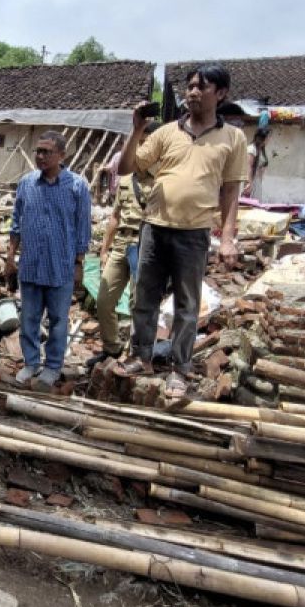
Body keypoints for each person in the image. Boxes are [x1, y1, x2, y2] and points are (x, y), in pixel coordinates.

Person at [116, 64, 248, 400]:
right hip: (155, 225)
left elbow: (231, 192)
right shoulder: (166, 133)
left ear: (220, 94)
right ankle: (141, 356)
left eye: (201, 87)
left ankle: (179, 368)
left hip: (194, 232)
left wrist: (228, 238)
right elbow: (127, 167)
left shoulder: (232, 138)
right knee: (144, 297)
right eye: (189, 86)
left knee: (187, 305)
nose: (192, 92)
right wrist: (137, 130)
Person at [4, 131, 92, 389]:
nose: (41, 156)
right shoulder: (27, 183)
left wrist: (79, 265)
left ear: (62, 155)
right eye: (38, 151)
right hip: (31, 265)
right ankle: (31, 363)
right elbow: (16, 223)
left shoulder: (76, 186)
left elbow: (83, 229)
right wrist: (10, 257)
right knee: (29, 318)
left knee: (58, 320)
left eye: (47, 152)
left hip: (60, 266)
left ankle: (53, 366)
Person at [89, 133, 158, 369]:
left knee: (138, 304)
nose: (139, 149)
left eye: (145, 144)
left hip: (144, 248)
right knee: (104, 301)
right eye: (137, 144)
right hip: (120, 246)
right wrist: (104, 249)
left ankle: (136, 354)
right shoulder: (126, 180)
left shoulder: (160, 180)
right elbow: (114, 217)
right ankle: (111, 347)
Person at [244, 127, 269, 198]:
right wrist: (249, 182)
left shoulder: (260, 150)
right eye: (268, 138)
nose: (269, 140)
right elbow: (248, 166)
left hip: (257, 181)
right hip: (251, 181)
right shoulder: (252, 149)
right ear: (262, 138)